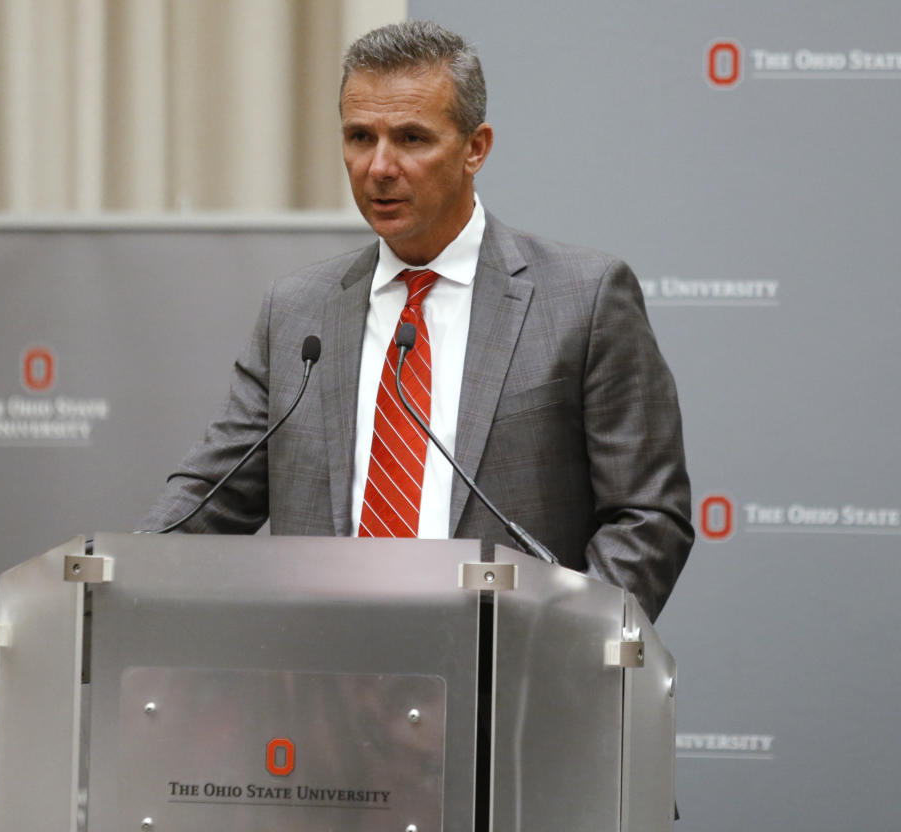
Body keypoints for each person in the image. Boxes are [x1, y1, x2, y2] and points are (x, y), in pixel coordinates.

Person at [142, 20, 693, 622]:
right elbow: (210, 498)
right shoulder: (298, 311)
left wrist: (565, 652)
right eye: (359, 137)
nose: (379, 166)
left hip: (506, 686)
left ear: (475, 148)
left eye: (410, 138)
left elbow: (647, 517)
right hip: (325, 685)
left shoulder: (582, 301)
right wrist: (113, 585)